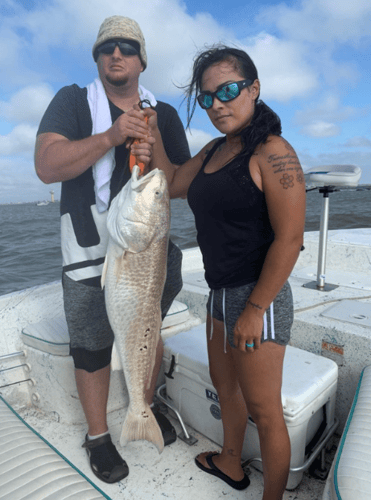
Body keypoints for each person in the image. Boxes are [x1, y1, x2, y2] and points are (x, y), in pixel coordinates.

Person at [34, 16, 190, 484]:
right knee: (90, 344)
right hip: (87, 248)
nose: (115, 54)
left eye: (126, 47)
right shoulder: (72, 101)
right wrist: (110, 137)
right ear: (98, 59)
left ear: (142, 59)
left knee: (147, 329)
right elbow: (45, 165)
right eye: (107, 48)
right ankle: (99, 436)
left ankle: (145, 406)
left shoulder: (163, 114)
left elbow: (175, 182)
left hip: (146, 245)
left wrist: (153, 140)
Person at [146, 46, 306, 500]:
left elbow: (290, 239)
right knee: (225, 388)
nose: (217, 104)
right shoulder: (216, 149)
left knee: (264, 409)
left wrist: (255, 310)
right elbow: (174, 183)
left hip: (260, 298)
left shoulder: (273, 152)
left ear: (254, 89)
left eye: (229, 91)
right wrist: (154, 130)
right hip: (219, 294)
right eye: (207, 97)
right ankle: (231, 462)